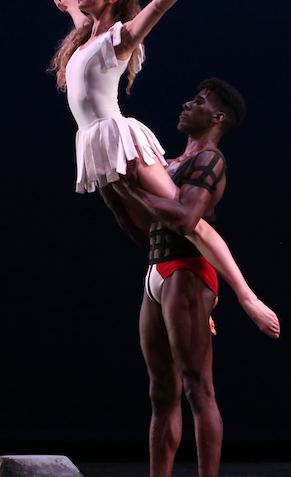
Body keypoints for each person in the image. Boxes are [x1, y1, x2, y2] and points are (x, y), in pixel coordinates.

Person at [48, 0, 276, 337]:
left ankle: (245, 296)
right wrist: (72, 10)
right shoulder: (88, 42)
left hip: (117, 138)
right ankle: (184, 282)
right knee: (138, 225)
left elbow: (157, 8)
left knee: (186, 220)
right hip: (93, 143)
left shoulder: (120, 38)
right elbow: (85, 45)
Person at [101, 78, 277, 477]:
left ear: (216, 117)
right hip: (156, 272)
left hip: (188, 270)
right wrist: (115, 192)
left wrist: (134, 191)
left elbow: (184, 220)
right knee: (161, 393)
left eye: (198, 101)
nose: (186, 103)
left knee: (199, 389)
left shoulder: (210, 161)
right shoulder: (168, 165)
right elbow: (146, 232)